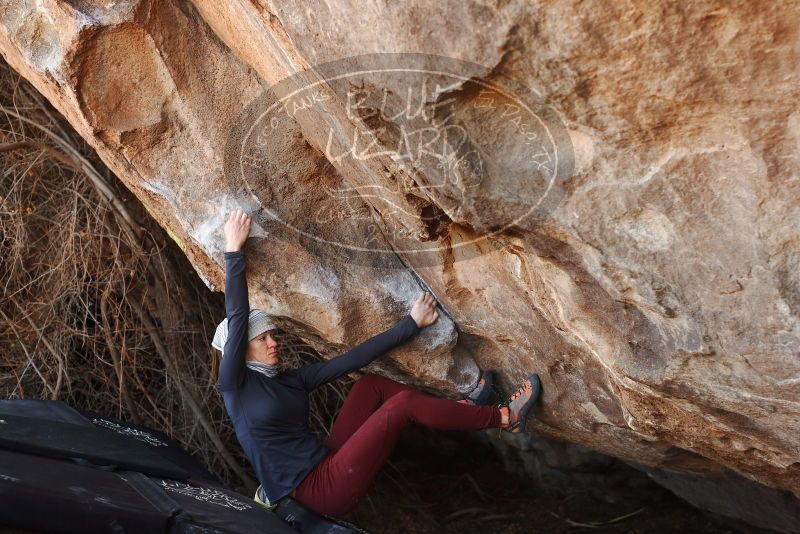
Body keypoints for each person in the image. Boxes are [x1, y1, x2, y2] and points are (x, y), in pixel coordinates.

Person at [211, 209, 542, 517]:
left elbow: (353, 358)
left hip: (326, 461)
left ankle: (465, 410)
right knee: (403, 406)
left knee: (370, 386)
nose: (274, 343)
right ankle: (503, 417)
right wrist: (233, 249)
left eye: (273, 335)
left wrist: (410, 324)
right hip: (317, 491)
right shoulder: (235, 387)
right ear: (240, 350)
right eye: (263, 339)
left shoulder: (286, 380)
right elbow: (238, 317)